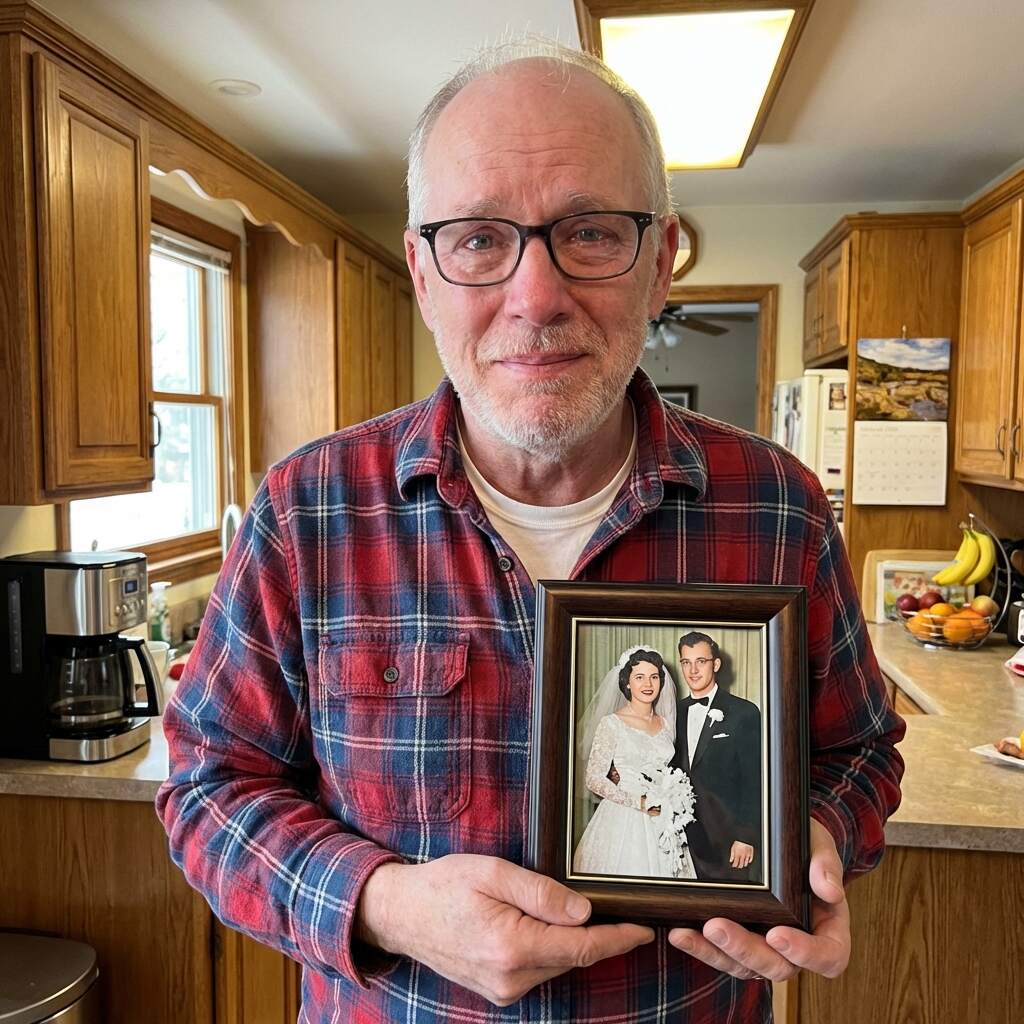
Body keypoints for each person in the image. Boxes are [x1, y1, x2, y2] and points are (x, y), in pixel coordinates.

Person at [156, 36, 905, 1023]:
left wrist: (809, 840)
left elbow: (860, 748)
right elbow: (208, 783)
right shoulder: (306, 511)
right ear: (423, 273)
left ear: (659, 263)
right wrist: (384, 903)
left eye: (590, 232)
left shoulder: (779, 508)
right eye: (476, 239)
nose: (536, 296)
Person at [572, 646, 696, 879]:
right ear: (627, 683)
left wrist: (673, 798)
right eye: (639, 677)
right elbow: (593, 778)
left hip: (663, 816)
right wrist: (638, 801)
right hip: (625, 814)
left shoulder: (667, 724)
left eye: (654, 677)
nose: (648, 684)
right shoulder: (612, 723)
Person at [670, 631, 762, 883]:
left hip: (727, 841)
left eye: (701, 661)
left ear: (716, 664)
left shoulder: (744, 712)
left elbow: (754, 780)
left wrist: (746, 836)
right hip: (681, 839)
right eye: (686, 662)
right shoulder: (672, 712)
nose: (693, 670)